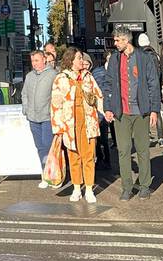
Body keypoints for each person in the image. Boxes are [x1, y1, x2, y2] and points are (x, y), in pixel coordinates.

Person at [101, 25, 161, 200]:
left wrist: (154, 110)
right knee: (124, 150)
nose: (115, 43)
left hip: (141, 111)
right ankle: (127, 187)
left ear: (126, 40)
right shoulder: (114, 60)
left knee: (143, 150)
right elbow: (108, 84)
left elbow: (153, 84)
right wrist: (108, 107)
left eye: (118, 40)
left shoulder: (144, 58)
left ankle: (144, 186)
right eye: (115, 40)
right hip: (122, 112)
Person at [51, 48, 103, 203]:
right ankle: (76, 188)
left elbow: (99, 96)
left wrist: (105, 113)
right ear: (71, 60)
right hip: (70, 123)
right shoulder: (61, 78)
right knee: (73, 156)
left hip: (88, 121)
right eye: (79, 58)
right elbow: (55, 104)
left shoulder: (88, 77)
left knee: (88, 156)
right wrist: (58, 128)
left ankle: (88, 188)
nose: (83, 61)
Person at [21, 49, 57, 187]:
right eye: (32, 61)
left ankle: (53, 175)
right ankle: (45, 175)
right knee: (40, 147)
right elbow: (24, 93)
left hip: (47, 117)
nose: (34, 64)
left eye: (36, 60)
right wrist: (26, 109)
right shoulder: (29, 76)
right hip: (33, 117)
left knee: (48, 146)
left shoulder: (53, 75)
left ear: (44, 59)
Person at [92, 52, 113, 168]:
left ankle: (107, 159)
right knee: (101, 137)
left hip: (111, 107)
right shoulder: (97, 73)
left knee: (104, 137)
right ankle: (101, 159)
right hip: (100, 108)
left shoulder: (115, 71)